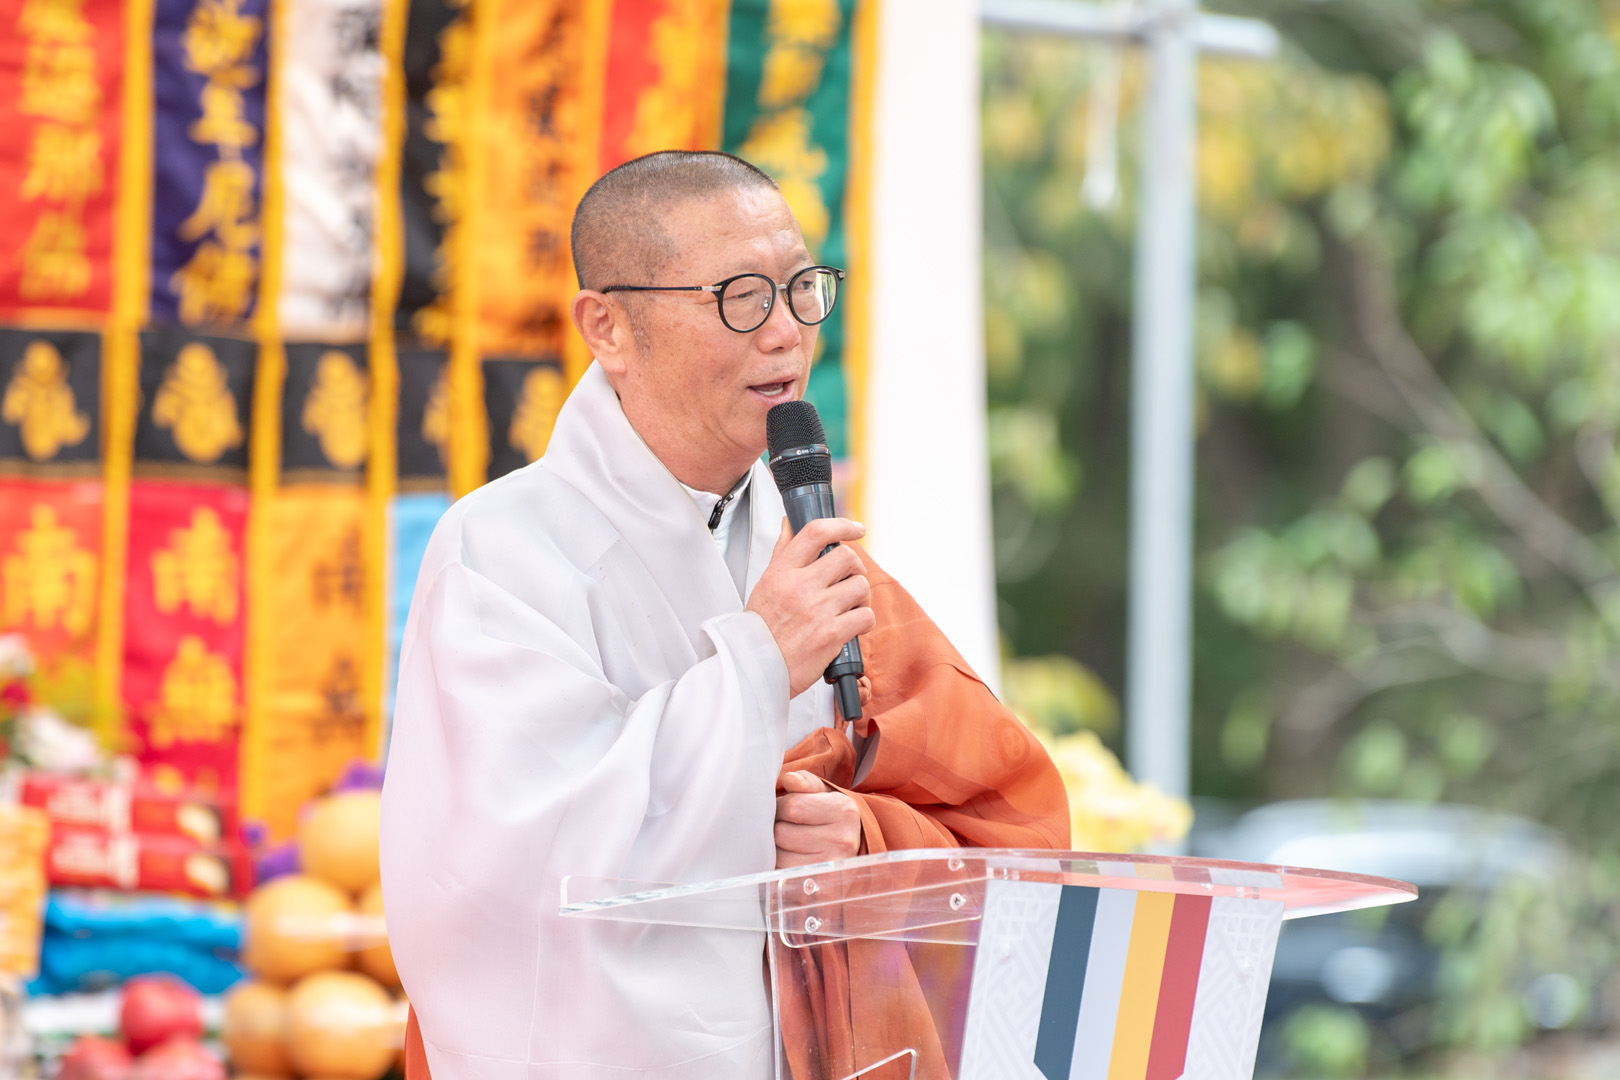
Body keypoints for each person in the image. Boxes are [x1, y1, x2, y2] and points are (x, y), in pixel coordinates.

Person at [380, 151, 1069, 1080]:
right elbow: (519, 870)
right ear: (609, 327)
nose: (785, 333)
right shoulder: (502, 553)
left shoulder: (813, 559)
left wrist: (860, 838)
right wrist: (757, 659)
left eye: (802, 289)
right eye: (740, 297)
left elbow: (1008, 819)